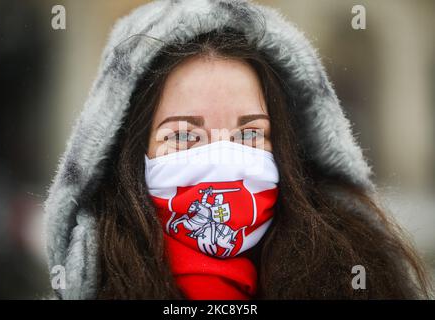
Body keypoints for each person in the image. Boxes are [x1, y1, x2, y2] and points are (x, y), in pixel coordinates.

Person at [44, 0, 431, 299]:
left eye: (249, 135)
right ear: (129, 156)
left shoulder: (356, 278)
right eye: (183, 136)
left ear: (288, 150)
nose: (222, 158)